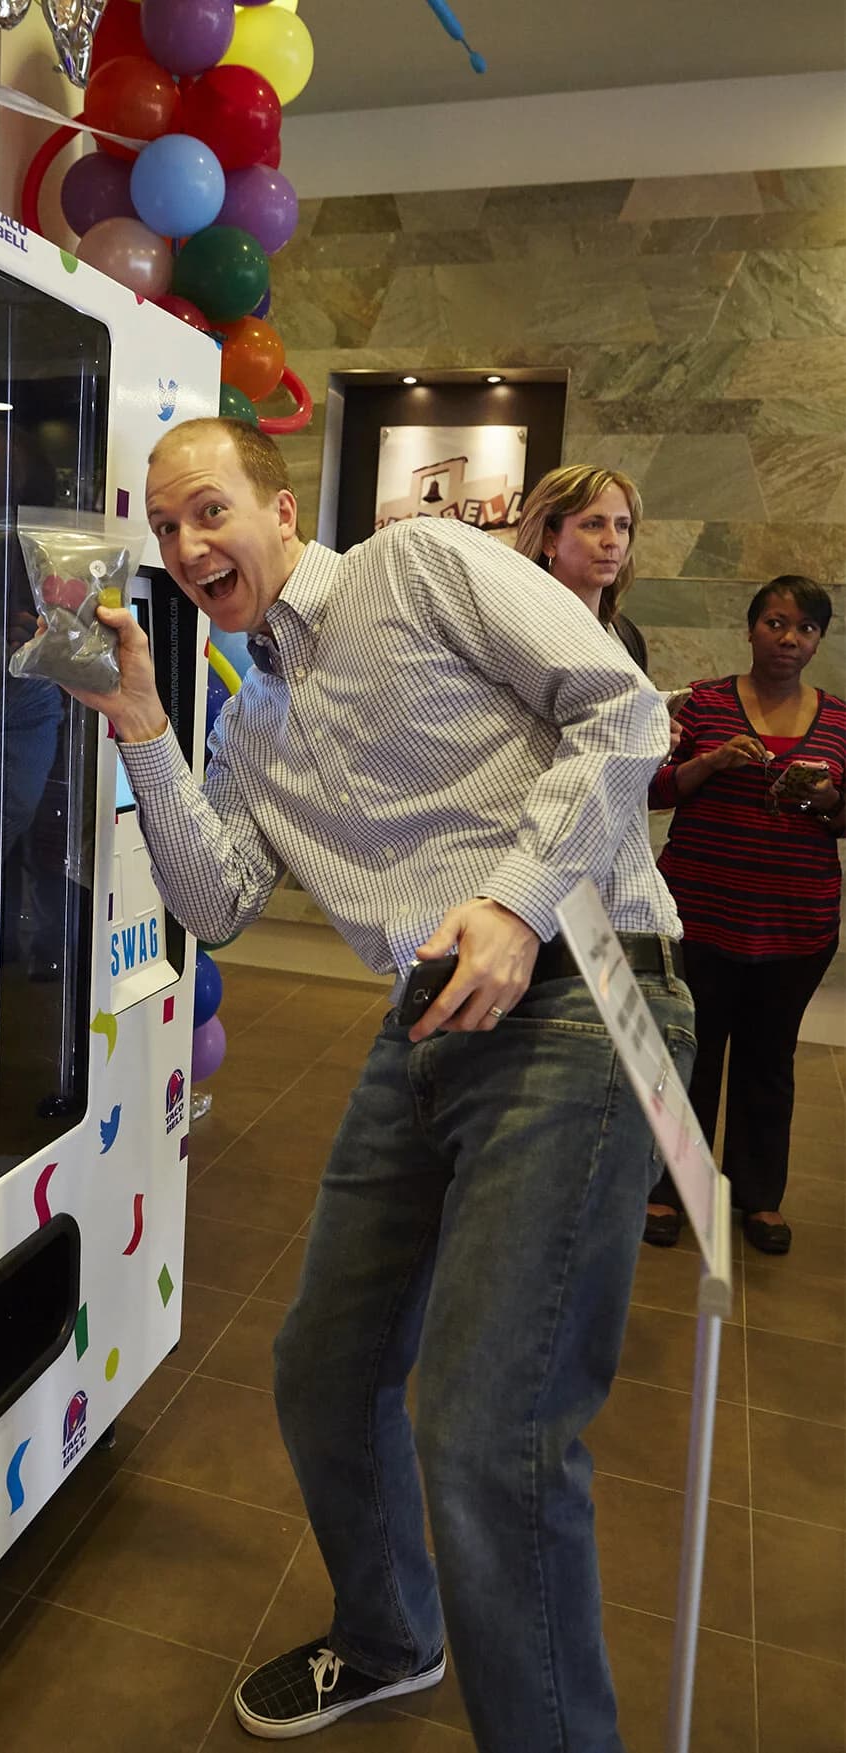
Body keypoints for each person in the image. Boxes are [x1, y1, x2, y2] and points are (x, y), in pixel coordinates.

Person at [60, 417, 691, 1751]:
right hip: (424, 1022)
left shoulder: (418, 570)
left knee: (486, 1431)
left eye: (207, 512)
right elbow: (218, 900)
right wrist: (140, 728)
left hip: (582, 985)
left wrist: (516, 906)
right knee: (324, 1367)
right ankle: (390, 1635)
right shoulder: (250, 722)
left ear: (279, 507)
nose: (185, 547)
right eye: (165, 529)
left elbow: (624, 711)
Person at [643, 576, 844, 1255]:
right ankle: (670, 1186)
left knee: (769, 1059)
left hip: (796, 923)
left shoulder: (840, 719)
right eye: (776, 623)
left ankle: (758, 1197)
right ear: (751, 628)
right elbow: (651, 790)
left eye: (806, 628)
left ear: (819, 640)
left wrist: (821, 796)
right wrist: (709, 761)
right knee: (689, 1054)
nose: (789, 639)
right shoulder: (701, 703)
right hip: (697, 912)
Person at [515, 463, 648, 671]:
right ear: (550, 541)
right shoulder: (520, 634)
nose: (612, 540)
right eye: (594, 525)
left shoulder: (627, 634)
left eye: (622, 526)